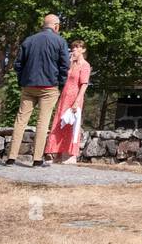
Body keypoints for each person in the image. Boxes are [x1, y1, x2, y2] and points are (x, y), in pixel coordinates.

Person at [5, 14, 70, 167]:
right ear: (56, 26)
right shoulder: (60, 41)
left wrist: (22, 81)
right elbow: (65, 66)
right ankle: (37, 160)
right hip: (49, 87)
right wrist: (59, 83)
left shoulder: (29, 40)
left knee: (20, 121)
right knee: (43, 122)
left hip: (29, 86)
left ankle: (11, 158)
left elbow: (18, 64)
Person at [44, 39, 90, 164]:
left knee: (71, 125)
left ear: (83, 50)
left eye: (77, 47)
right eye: (73, 48)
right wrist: (68, 64)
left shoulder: (85, 65)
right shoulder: (71, 64)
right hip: (64, 96)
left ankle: (69, 154)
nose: (74, 50)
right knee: (60, 123)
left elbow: (84, 85)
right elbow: (62, 78)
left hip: (75, 97)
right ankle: (57, 152)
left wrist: (77, 102)